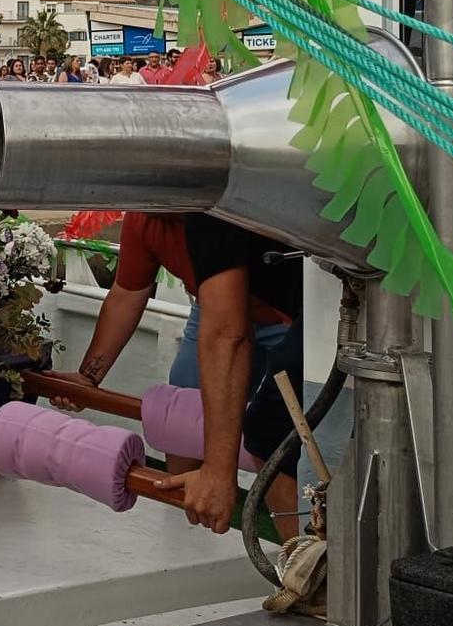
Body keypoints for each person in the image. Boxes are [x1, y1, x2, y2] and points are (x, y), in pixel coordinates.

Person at [59, 211, 303, 537]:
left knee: (278, 429)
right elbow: (127, 295)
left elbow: (230, 337)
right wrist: (89, 378)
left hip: (288, 318)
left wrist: (220, 470)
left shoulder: (220, 211)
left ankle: (302, 552)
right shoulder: (143, 219)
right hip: (212, 311)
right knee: (182, 418)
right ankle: (187, 528)